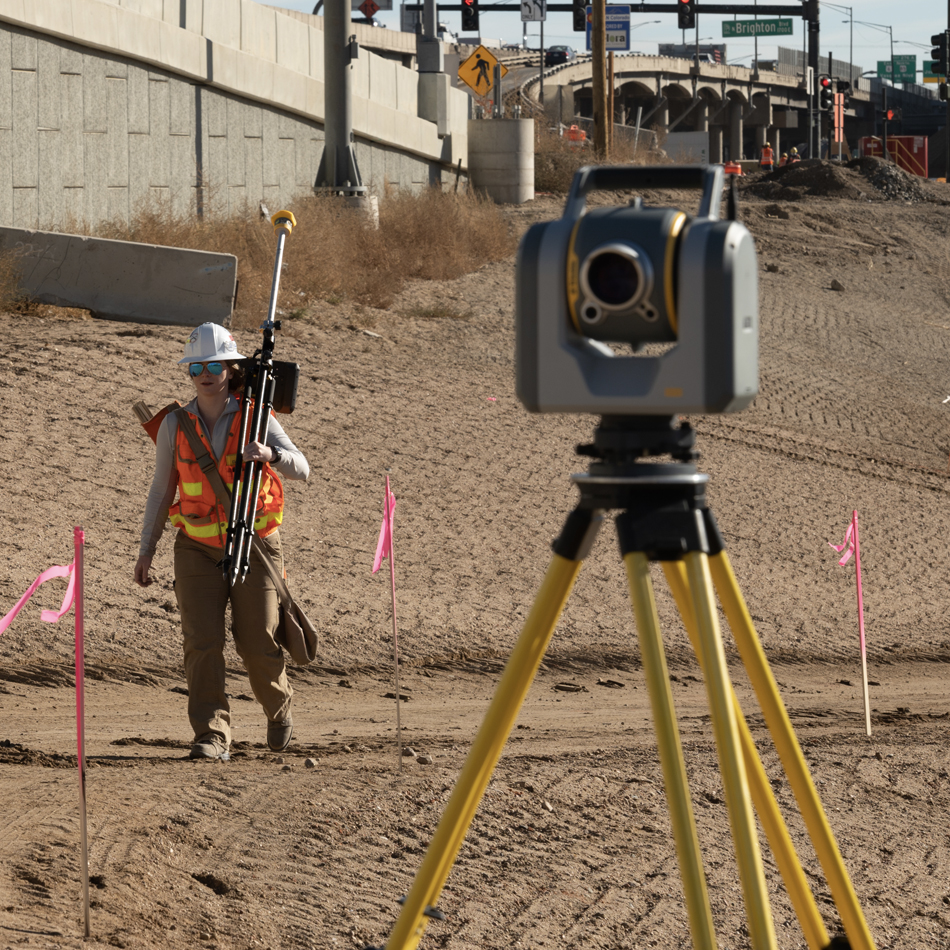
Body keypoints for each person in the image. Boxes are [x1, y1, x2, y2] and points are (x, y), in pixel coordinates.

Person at [134, 323, 310, 761]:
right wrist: (146, 549)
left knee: (256, 642)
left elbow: (301, 468)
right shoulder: (175, 423)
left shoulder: (258, 415)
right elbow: (161, 490)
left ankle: (278, 708)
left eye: (214, 365)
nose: (205, 373)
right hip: (195, 545)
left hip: (254, 541)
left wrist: (270, 455)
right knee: (201, 641)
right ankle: (212, 734)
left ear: (231, 368)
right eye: (197, 366)